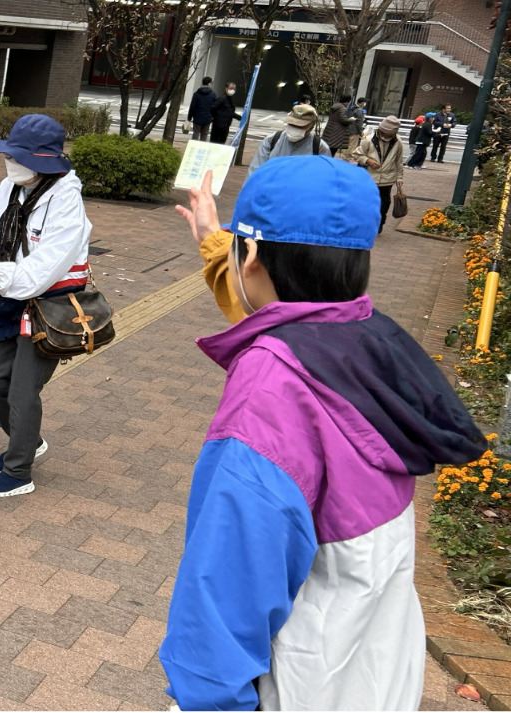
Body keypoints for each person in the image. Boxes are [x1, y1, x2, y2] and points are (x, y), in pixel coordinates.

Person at [162, 158, 485, 710]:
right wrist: (220, 245)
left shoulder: (272, 388)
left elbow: (229, 584)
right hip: (378, 673)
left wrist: (208, 700)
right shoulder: (366, 338)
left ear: (253, 256)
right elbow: (279, 307)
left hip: (300, 687)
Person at [0, 114, 91, 498]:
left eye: (18, 156)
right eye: (9, 154)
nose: (9, 162)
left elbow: (40, 273)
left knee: (23, 391)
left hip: (49, 306)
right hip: (6, 297)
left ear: (43, 161)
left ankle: (19, 470)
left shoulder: (66, 200)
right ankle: (28, 440)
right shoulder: (8, 189)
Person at [353, 115, 405, 232]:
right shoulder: (369, 140)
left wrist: (399, 178)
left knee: (384, 203)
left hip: (387, 178)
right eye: (386, 133)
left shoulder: (398, 142)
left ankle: (379, 223)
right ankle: (365, 223)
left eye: (391, 134)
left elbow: (399, 161)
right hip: (370, 177)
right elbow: (356, 154)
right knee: (367, 202)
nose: (388, 136)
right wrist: (367, 160)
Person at [248, 105, 330, 175]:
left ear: (311, 127)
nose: (294, 128)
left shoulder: (320, 147)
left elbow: (324, 176)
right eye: (291, 124)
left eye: (300, 126)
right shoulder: (271, 140)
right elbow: (255, 171)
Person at [188, 77, 216, 142]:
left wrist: (189, 117)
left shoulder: (196, 94)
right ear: (209, 84)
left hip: (197, 117)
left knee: (196, 133)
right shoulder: (213, 94)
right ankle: (202, 146)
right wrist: (213, 117)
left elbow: (192, 106)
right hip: (207, 117)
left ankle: (194, 145)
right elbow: (214, 107)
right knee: (204, 134)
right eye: (211, 83)